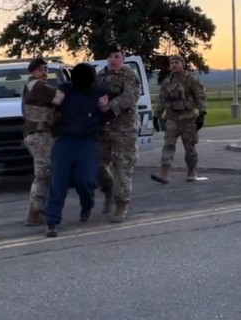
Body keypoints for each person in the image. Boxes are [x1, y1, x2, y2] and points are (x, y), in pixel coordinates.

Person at [44, 63, 113, 237]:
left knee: (85, 180)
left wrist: (105, 108)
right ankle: (52, 221)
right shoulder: (65, 90)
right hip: (65, 140)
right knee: (58, 181)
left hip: (87, 141)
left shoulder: (99, 92)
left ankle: (87, 204)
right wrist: (55, 103)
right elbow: (50, 114)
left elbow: (108, 117)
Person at [95, 42, 141, 223]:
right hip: (103, 129)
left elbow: (131, 96)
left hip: (124, 128)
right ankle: (107, 190)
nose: (113, 60)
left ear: (123, 58)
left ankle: (122, 203)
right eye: (110, 56)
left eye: (117, 57)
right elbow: (92, 95)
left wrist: (109, 106)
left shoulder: (130, 75)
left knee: (122, 166)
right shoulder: (100, 76)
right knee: (97, 165)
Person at [150, 55, 207, 184]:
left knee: (190, 148)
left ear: (182, 64)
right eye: (171, 63)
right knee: (168, 145)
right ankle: (165, 174)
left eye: (176, 62)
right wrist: (157, 115)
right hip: (172, 118)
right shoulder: (167, 81)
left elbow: (200, 96)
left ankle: (191, 170)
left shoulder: (191, 79)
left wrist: (202, 113)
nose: (174, 65)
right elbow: (162, 100)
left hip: (188, 118)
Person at [22, 57, 65, 226]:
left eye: (46, 69)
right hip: (38, 134)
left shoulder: (33, 87)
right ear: (32, 72)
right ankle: (39, 208)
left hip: (41, 133)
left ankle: (33, 214)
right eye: (40, 70)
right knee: (44, 171)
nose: (45, 73)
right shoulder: (36, 86)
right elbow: (60, 97)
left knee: (42, 171)